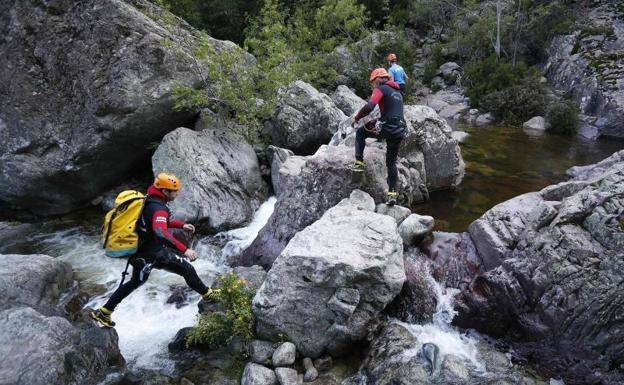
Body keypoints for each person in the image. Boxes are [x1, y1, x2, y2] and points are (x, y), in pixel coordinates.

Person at [91, 173, 220, 328]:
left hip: (138, 252)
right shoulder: (159, 208)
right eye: (175, 191)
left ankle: (104, 312)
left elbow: (156, 223)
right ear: (165, 191)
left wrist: (181, 225)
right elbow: (160, 232)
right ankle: (209, 295)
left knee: (136, 281)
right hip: (153, 253)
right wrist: (185, 250)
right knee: (187, 269)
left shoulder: (149, 200)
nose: (177, 193)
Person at [350, 68, 407, 206]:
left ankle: (359, 162)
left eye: (372, 82)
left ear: (376, 80)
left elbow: (370, 106)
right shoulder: (398, 92)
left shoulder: (380, 89)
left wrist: (356, 117)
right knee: (391, 162)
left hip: (387, 127)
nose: (372, 85)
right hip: (400, 129)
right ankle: (392, 193)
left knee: (360, 133)